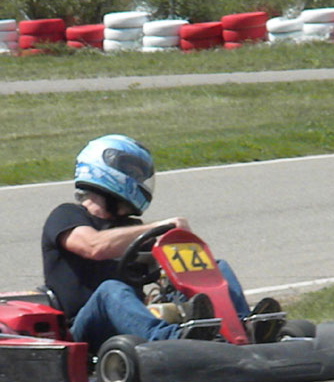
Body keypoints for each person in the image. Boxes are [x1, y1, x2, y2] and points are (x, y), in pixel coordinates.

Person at [42, 134, 270, 352]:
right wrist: (158, 227)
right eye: (131, 171)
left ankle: (242, 328)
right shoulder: (66, 215)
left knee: (216, 267)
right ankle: (173, 340)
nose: (139, 179)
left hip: (133, 320)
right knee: (111, 289)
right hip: (85, 329)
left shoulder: (132, 226)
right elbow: (94, 247)